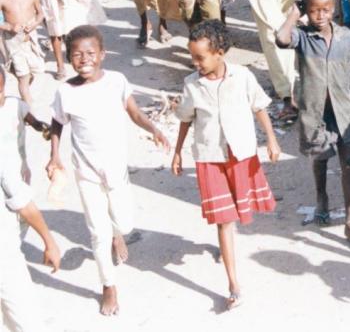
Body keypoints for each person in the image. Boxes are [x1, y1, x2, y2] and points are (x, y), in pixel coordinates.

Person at [47, 25, 170, 316]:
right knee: (97, 234)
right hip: (85, 171)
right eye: (76, 54)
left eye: (90, 53)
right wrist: (54, 156)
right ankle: (108, 286)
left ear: (102, 54)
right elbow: (56, 123)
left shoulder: (116, 81)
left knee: (124, 224)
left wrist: (153, 128)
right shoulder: (65, 91)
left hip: (115, 169)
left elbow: (135, 112)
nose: (84, 59)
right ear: (68, 58)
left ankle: (119, 234)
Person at [172, 20, 279, 311]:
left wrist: (271, 140)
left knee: (232, 216)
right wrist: (178, 152)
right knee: (223, 220)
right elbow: (185, 119)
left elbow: (259, 107)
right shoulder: (192, 84)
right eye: (192, 57)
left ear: (219, 52)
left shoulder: (242, 76)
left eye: (200, 57)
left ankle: (227, 244)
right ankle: (233, 283)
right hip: (210, 159)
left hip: (240, 154)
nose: (195, 63)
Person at [275, 0, 350, 247]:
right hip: (315, 114)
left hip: (344, 111)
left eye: (326, 10)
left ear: (334, 9)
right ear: (306, 9)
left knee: (349, 162)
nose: (321, 15)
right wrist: (294, 14)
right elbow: (281, 38)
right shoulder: (303, 37)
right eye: (314, 10)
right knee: (320, 160)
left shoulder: (346, 37)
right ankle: (322, 198)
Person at [0, 77, 61, 331]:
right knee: (24, 314)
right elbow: (23, 203)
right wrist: (50, 242)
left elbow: (27, 117)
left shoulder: (13, 105)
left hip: (18, 177)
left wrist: (39, 126)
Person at [0, 0, 47, 141]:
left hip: (30, 38)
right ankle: (29, 111)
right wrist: (8, 27)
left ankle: (24, 91)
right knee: (23, 77)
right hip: (13, 41)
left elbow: (41, 14)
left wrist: (34, 23)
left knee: (35, 70)